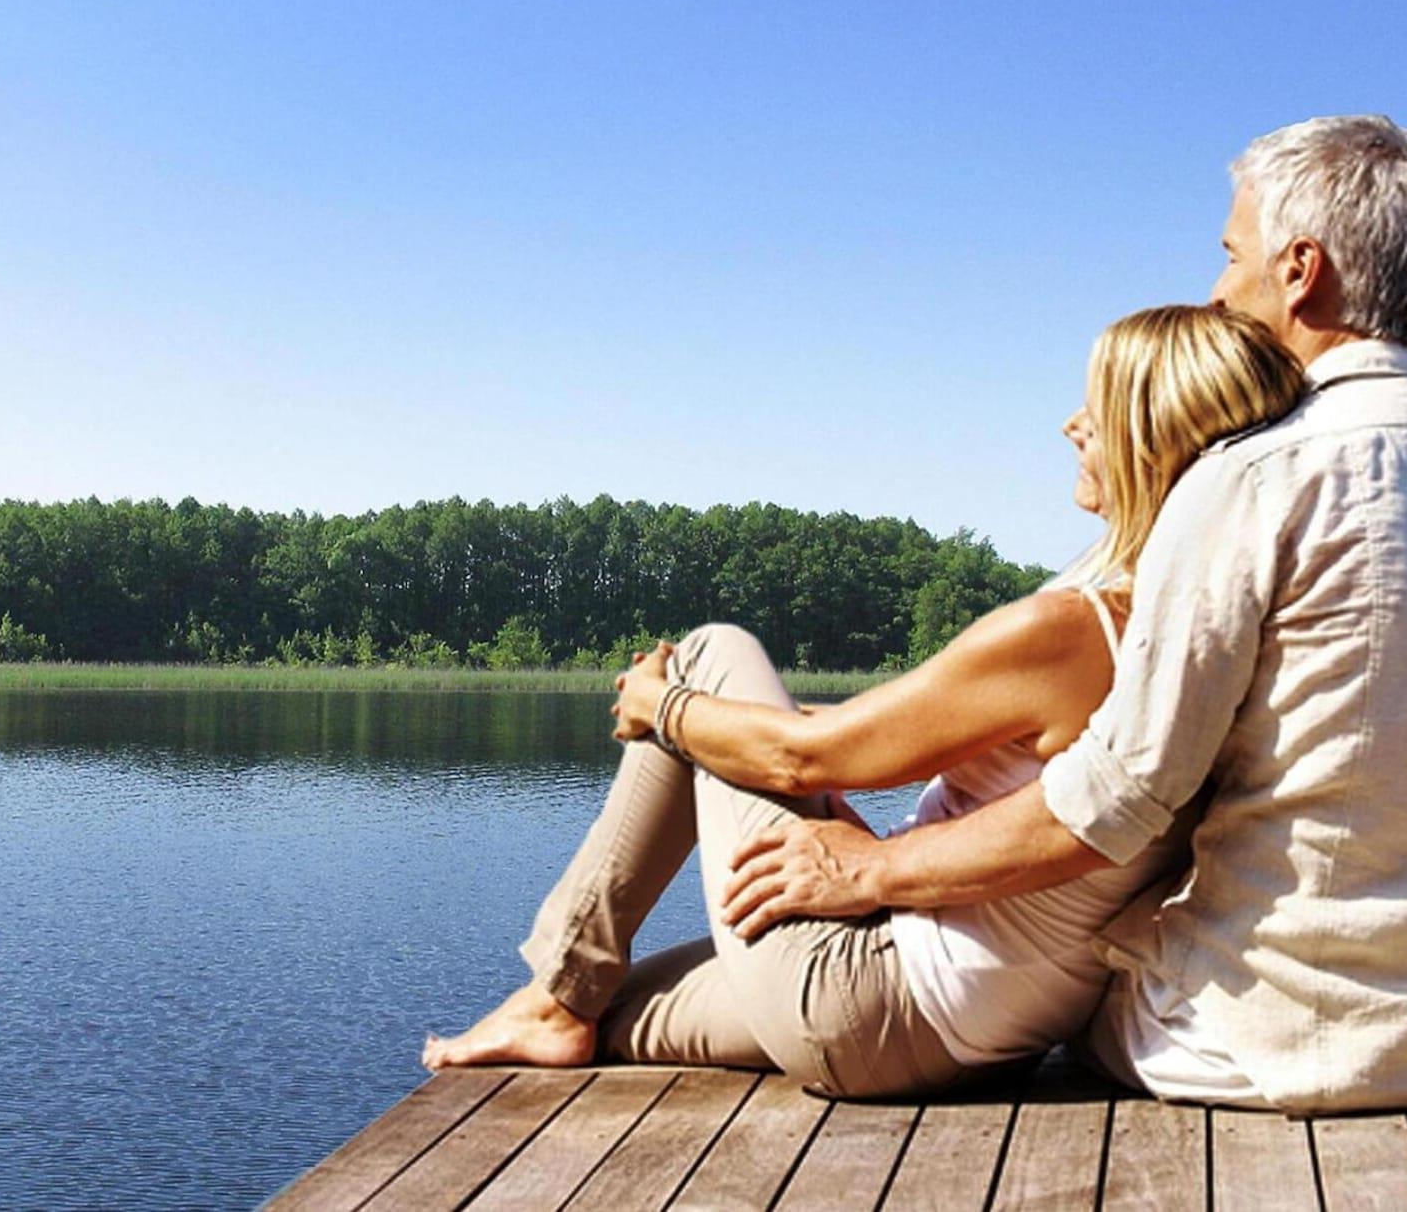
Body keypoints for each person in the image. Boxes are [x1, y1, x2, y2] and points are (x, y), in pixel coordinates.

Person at [717, 115, 1407, 1114]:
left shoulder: (1253, 475)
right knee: (717, 1000)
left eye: (1231, 255)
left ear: (1299, 271)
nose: (1217, 290)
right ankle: (586, 999)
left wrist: (873, 870)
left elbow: (1115, 799)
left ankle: (581, 990)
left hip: (1270, 1039)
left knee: (1034, 969)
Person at [421, 306, 1306, 1098]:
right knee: (613, 1012)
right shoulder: (1197, 641)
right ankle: (566, 1003)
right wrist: (716, 734)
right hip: (989, 1037)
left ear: (1154, 440)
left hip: (877, 995)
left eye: (1097, 407)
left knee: (709, 652)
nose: (1072, 424)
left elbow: (804, 757)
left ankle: (559, 983)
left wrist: (664, 705)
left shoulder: (1072, 631)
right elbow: (854, 738)